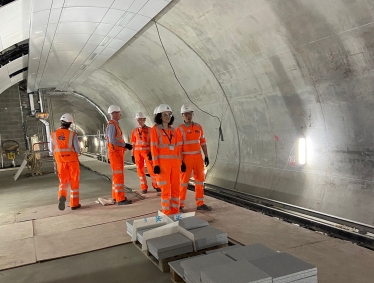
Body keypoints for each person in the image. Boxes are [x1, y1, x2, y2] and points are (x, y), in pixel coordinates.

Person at [177, 105, 212, 212]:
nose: (188, 116)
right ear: (182, 115)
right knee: (183, 182)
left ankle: (200, 203)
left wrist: (206, 155)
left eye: (190, 114)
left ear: (193, 114)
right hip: (186, 158)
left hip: (198, 158)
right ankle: (179, 204)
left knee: (200, 181)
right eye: (186, 114)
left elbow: (203, 142)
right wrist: (180, 161)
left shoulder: (198, 127)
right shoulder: (180, 129)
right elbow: (178, 147)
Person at [150, 104, 184, 215]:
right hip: (163, 165)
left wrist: (181, 162)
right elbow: (154, 148)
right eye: (165, 114)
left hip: (175, 164)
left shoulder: (173, 131)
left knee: (175, 189)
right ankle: (166, 213)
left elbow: (178, 148)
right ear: (159, 116)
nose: (167, 116)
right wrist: (156, 165)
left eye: (169, 114)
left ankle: (175, 212)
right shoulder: (155, 130)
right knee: (165, 190)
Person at [51, 113, 81, 211]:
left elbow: (51, 150)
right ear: (70, 124)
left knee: (63, 182)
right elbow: (77, 150)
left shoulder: (53, 134)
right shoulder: (72, 134)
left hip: (60, 162)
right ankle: (74, 204)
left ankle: (62, 196)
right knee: (74, 182)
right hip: (72, 162)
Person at [106, 105, 133, 205]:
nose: (120, 114)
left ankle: (116, 196)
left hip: (117, 153)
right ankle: (120, 199)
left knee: (117, 176)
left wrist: (124, 146)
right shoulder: (112, 125)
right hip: (115, 154)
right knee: (118, 177)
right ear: (114, 113)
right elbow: (112, 140)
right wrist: (125, 145)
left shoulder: (115, 124)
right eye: (118, 113)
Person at [131, 112, 161, 194]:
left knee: (151, 169)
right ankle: (144, 187)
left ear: (144, 120)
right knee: (140, 170)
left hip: (147, 152)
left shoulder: (150, 130)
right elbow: (133, 144)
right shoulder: (134, 131)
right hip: (137, 153)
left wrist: (151, 152)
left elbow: (153, 143)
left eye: (140, 119)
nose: (139, 121)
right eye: (138, 120)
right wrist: (132, 155)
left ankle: (156, 185)